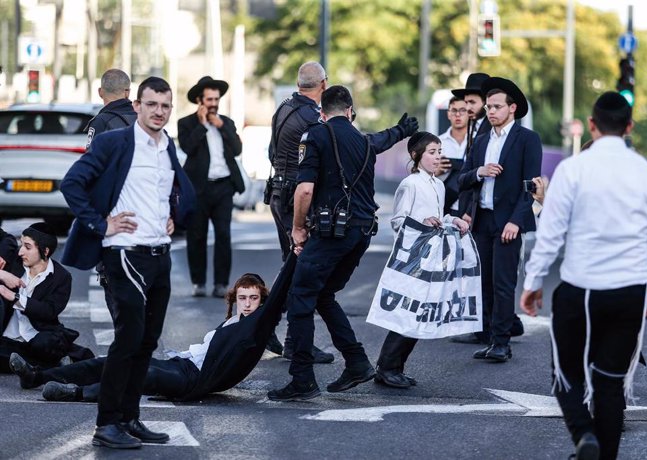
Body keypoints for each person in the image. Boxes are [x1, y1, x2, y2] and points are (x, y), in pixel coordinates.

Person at [520, 92, 647, 460]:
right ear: (629, 127)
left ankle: (584, 435)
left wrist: (533, 282)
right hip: (630, 289)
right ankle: (604, 454)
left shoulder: (573, 169)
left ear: (591, 124)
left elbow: (551, 234)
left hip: (581, 287)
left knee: (566, 370)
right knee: (610, 380)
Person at [60, 76, 196, 449]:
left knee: (147, 342)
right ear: (137, 105)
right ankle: (107, 424)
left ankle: (130, 418)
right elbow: (72, 183)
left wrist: (174, 213)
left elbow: (180, 189)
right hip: (124, 253)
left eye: (165, 106)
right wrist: (100, 223)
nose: (159, 112)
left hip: (159, 254)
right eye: (151, 104)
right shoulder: (114, 142)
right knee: (128, 339)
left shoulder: (167, 146)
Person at [267, 85, 419, 401]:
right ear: (350, 111)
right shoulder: (362, 141)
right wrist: (401, 130)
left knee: (300, 297)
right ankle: (357, 362)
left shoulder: (316, 135)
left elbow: (305, 190)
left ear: (322, 112)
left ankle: (302, 379)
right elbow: (381, 140)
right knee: (324, 294)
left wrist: (297, 228)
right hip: (361, 233)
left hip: (331, 233)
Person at [9, 273, 271, 402]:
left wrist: (295, 251)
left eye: (254, 298)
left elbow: (278, 301)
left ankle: (77, 393)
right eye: (243, 298)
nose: (247, 304)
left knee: (141, 375)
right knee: (113, 360)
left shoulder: (253, 328)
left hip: (193, 381)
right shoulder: (232, 321)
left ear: (262, 302)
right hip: (180, 364)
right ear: (235, 299)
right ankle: (37, 377)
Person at [374, 132, 469, 388]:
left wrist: (453, 220)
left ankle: (395, 367)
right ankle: (386, 368)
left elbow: (439, 215)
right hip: (411, 259)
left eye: (439, 152)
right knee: (408, 314)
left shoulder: (438, 184)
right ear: (416, 156)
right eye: (432, 152)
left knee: (419, 314)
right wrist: (422, 223)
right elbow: (398, 221)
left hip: (432, 258)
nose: (438, 157)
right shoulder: (410, 184)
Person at [457, 77, 542, 360]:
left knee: (504, 283)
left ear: (512, 108)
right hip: (482, 220)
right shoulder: (480, 141)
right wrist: (479, 172)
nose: (491, 111)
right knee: (484, 283)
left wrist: (517, 221)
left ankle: (503, 343)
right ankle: (491, 338)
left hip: (508, 222)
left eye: (497, 106)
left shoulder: (527, 139)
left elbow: (530, 184)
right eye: (489, 107)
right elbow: (463, 178)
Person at [266, 60, 333, 363]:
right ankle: (287, 337)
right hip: (297, 197)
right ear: (324, 84)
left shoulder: (284, 108)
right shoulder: (313, 118)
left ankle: (274, 328)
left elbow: (272, 151)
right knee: (302, 269)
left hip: (279, 192)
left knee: (292, 266)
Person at [178, 76, 244, 299]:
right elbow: (187, 148)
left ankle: (221, 283)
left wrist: (221, 126)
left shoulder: (226, 122)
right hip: (198, 189)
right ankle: (199, 282)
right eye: (209, 99)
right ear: (200, 100)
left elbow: (236, 149)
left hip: (223, 187)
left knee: (223, 235)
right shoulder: (186, 123)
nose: (214, 103)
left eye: (216, 98)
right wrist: (203, 126)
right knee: (196, 236)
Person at [85, 69, 138, 330]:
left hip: (113, 212)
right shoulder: (146, 120)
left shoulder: (100, 123)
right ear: (128, 92)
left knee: (111, 274)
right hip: (144, 210)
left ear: (100, 92)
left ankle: (124, 336)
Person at [0, 223, 93, 373]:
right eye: (21, 245)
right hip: (7, 339)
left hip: (38, 336)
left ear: (45, 251)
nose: (21, 252)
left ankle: (29, 364)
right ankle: (46, 365)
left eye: (28, 247)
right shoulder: (12, 264)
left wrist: (15, 297)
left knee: (46, 343)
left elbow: (49, 311)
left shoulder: (61, 277)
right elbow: (6, 240)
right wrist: (2, 275)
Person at [85, 69, 137, 150]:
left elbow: (91, 158)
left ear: (100, 92)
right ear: (127, 92)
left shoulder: (100, 121)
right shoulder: (142, 118)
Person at [436, 96, 469, 216]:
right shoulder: (437, 143)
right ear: (448, 114)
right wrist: (435, 171)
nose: (458, 115)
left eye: (462, 110)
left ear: (469, 113)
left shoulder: (480, 140)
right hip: (445, 206)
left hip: (473, 209)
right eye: (454, 110)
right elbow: (421, 174)